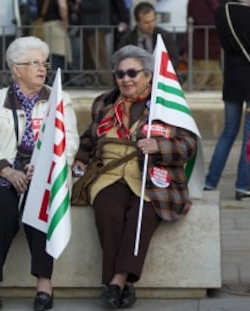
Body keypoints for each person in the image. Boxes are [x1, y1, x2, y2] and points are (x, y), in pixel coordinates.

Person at [71, 45, 198, 309]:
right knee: (108, 212)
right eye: (119, 73)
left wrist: (159, 146)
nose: (125, 79)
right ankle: (124, 284)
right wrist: (80, 159)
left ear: (149, 75)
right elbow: (88, 138)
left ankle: (115, 282)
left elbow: (189, 145)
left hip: (152, 175)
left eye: (132, 72)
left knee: (142, 216)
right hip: (108, 172)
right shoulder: (103, 102)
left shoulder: (166, 104)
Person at [0, 36, 79, 311]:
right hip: (2, 172)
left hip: (44, 172)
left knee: (41, 204)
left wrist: (44, 166)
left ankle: (44, 283)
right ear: (16, 69)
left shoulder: (60, 99)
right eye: (33, 64)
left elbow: (70, 141)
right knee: (1, 206)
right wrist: (6, 170)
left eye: (44, 63)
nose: (42, 69)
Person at [205, 0, 250, 200]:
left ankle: (210, 182)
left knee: (228, 132)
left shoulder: (222, 13)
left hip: (232, 80)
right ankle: (243, 186)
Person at [116, 1, 180, 70]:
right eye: (146, 22)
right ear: (137, 22)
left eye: (153, 20)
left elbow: (174, 60)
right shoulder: (127, 40)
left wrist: (159, 69)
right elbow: (120, 62)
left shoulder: (164, 36)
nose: (151, 25)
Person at [184, 0, 223, 91]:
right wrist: (224, 20)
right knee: (193, 86)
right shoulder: (197, 2)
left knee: (217, 86)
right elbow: (206, 21)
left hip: (212, 52)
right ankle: (175, 103)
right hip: (203, 52)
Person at [77, 0, 114, 86]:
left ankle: (108, 82)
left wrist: (81, 3)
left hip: (96, 27)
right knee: (90, 57)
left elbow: (99, 4)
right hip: (89, 27)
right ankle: (92, 81)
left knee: (100, 56)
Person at [37, 0, 72, 78]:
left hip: (45, 26)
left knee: (48, 54)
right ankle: (58, 77)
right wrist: (65, 20)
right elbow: (62, 6)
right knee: (59, 53)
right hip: (56, 26)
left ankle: (49, 77)